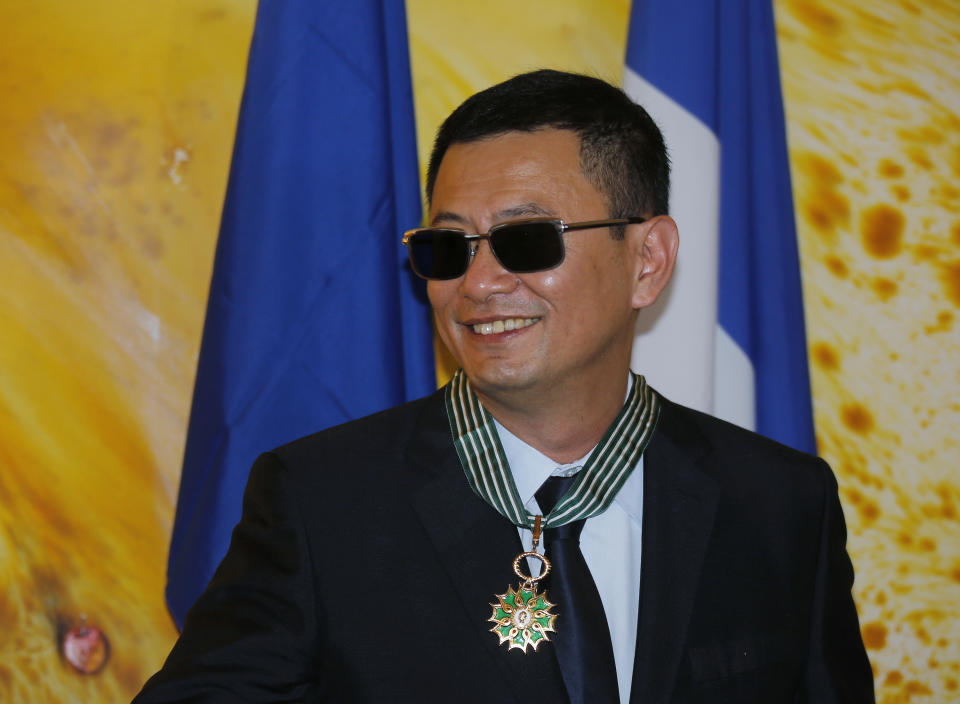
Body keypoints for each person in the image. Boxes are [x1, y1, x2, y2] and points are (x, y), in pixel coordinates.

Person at [134, 70, 875, 703]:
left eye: (526, 240)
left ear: (647, 259)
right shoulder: (321, 504)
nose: (480, 283)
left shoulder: (781, 506)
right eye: (448, 247)